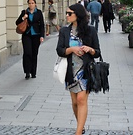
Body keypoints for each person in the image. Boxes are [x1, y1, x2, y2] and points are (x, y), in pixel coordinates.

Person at [56, 3, 101, 135]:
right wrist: (72, 49)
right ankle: (80, 126)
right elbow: (59, 50)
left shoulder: (90, 30)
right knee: (75, 102)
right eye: (66, 13)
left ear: (78, 15)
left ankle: (78, 132)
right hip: (70, 71)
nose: (67, 16)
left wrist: (90, 49)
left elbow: (97, 52)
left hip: (85, 70)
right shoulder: (64, 31)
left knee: (81, 100)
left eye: (70, 13)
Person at [15, 0, 45, 80]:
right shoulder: (24, 12)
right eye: (29, 3)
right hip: (26, 35)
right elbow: (17, 22)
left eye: (32, 3)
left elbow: (42, 25)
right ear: (28, 4)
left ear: (35, 4)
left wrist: (42, 36)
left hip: (36, 35)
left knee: (34, 53)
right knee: (27, 52)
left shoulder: (38, 12)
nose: (31, 5)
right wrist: (23, 18)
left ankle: (33, 72)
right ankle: (27, 71)